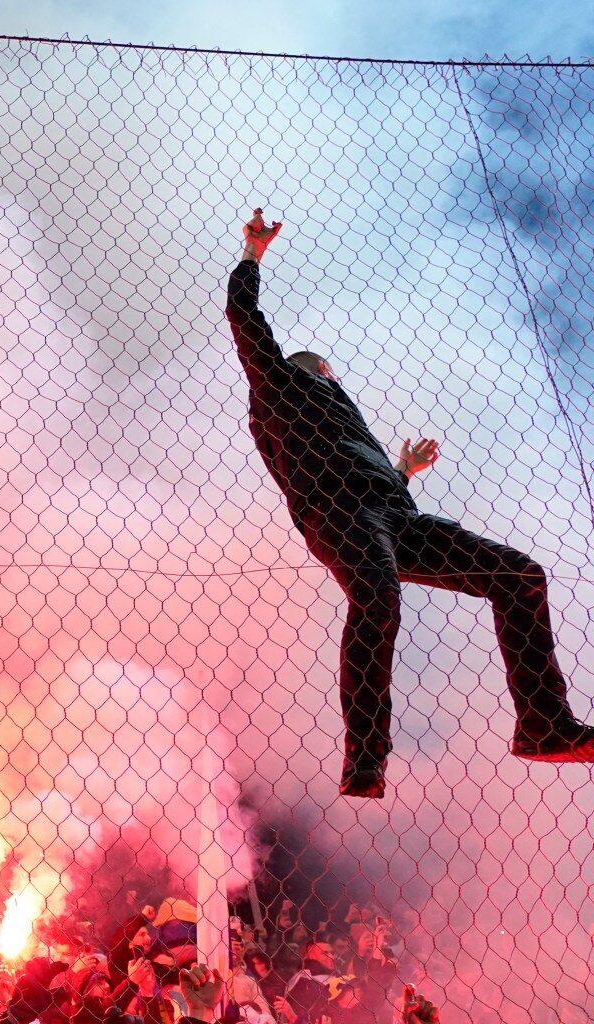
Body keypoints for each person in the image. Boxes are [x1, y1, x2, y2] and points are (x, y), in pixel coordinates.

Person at [224, 209, 594, 797]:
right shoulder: (279, 385)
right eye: (330, 369)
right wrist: (252, 253)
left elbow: (366, 470)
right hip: (338, 510)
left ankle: (545, 726)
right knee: (377, 598)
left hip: (397, 515)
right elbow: (244, 318)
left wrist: (401, 470)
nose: (338, 376)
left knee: (519, 575)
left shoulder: (346, 417)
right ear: (317, 370)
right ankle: (365, 759)